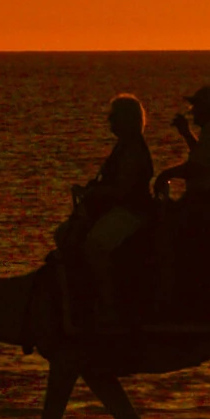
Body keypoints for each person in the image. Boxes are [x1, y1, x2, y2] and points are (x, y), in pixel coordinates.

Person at [74, 95, 157, 328]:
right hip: (122, 208)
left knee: (95, 246)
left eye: (114, 116)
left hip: (132, 211)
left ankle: (108, 304)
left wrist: (94, 194)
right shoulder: (124, 146)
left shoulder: (132, 149)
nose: (109, 121)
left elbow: (123, 190)